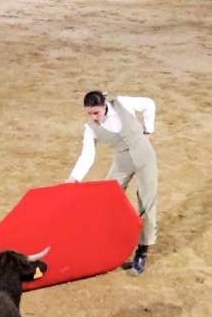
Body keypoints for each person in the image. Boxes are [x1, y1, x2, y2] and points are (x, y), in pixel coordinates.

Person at [66, 91, 159, 275]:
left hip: (145, 157)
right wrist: (74, 177)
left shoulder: (123, 103)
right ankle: (113, 247)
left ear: (104, 106)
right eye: (90, 114)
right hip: (123, 162)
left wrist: (148, 130)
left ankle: (142, 251)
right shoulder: (90, 128)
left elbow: (149, 104)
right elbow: (87, 155)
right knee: (106, 199)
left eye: (96, 113)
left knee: (147, 202)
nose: (94, 118)